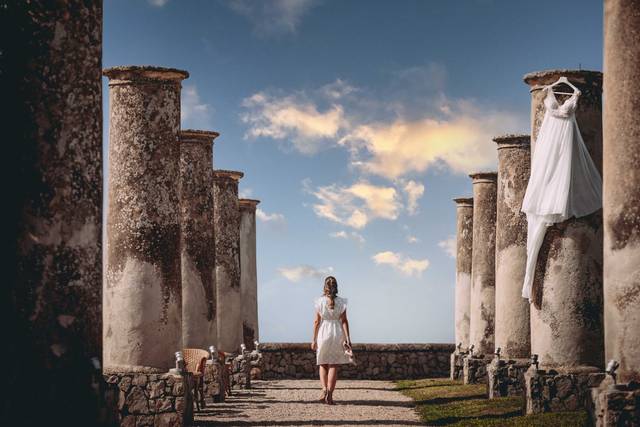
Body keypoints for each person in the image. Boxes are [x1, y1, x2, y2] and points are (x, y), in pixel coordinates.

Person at [311, 276, 352, 405]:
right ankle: (330, 394)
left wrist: (314, 340)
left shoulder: (319, 301)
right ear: (336, 287)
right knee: (334, 364)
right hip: (337, 332)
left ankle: (324, 389)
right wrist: (348, 338)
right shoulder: (342, 302)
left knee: (322, 363)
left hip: (323, 332)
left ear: (325, 287)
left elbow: (317, 321)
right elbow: (344, 321)